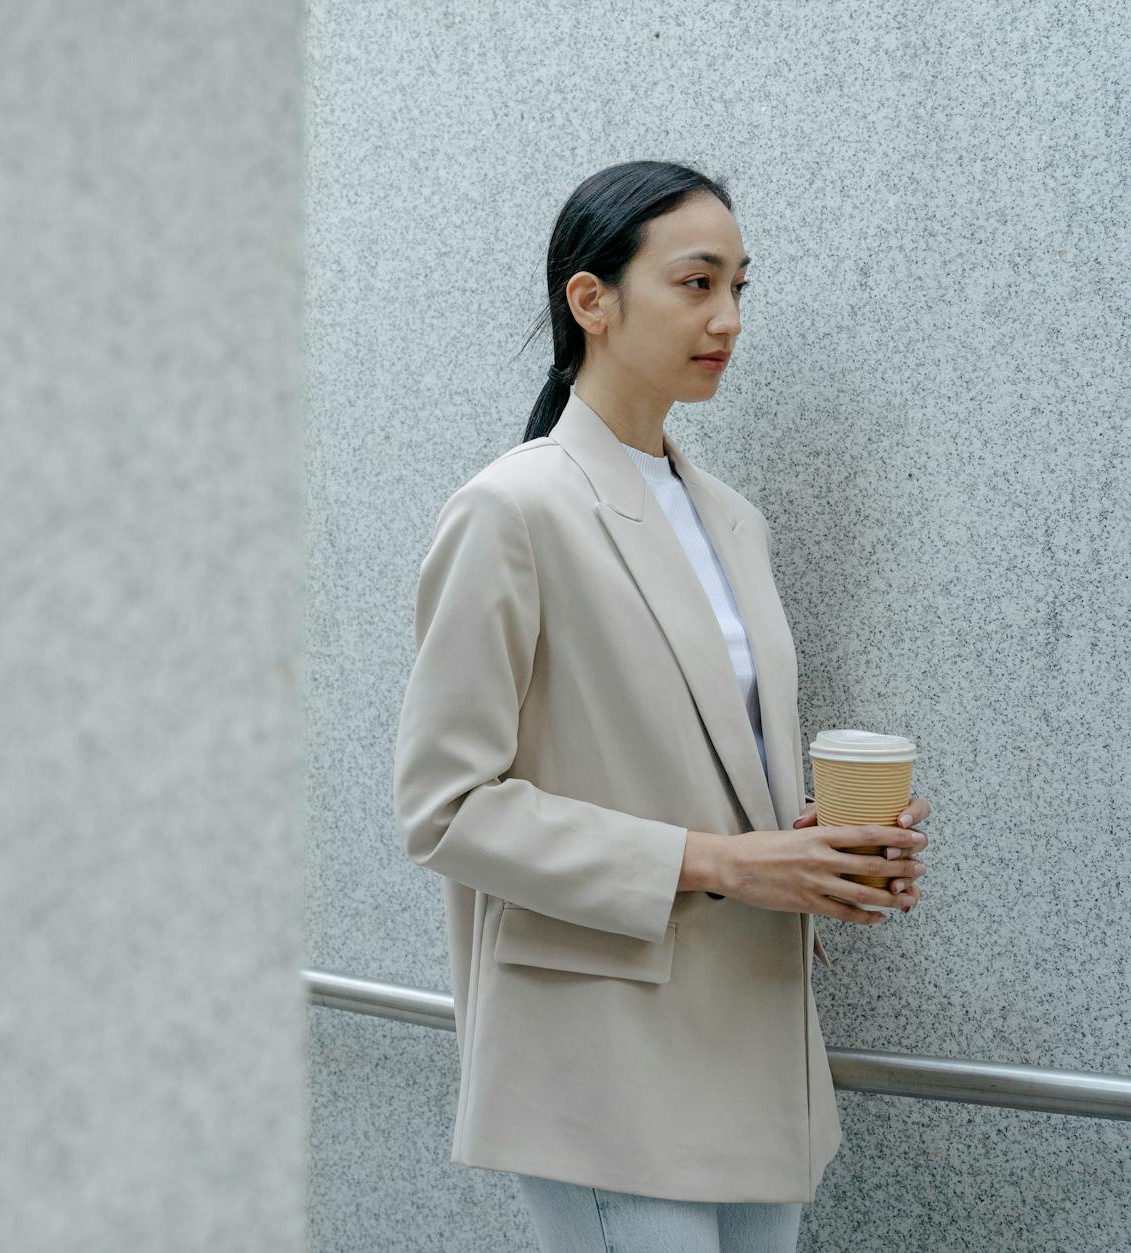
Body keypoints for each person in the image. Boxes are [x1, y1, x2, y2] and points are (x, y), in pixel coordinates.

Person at [391, 160, 933, 1251]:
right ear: (590, 300)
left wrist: (821, 853)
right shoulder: (513, 508)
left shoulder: (732, 519)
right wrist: (722, 862)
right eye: (695, 283)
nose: (726, 318)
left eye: (740, 286)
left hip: (752, 1041)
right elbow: (444, 808)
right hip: (603, 1052)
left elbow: (726, 779)